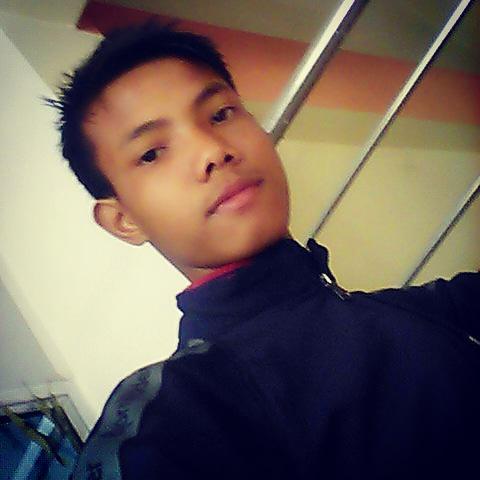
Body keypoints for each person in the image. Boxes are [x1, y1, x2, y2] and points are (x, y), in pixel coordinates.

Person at [47, 22, 480, 480]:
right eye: (152, 153)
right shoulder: (186, 405)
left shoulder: (387, 312)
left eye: (220, 114)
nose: (213, 150)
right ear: (124, 220)